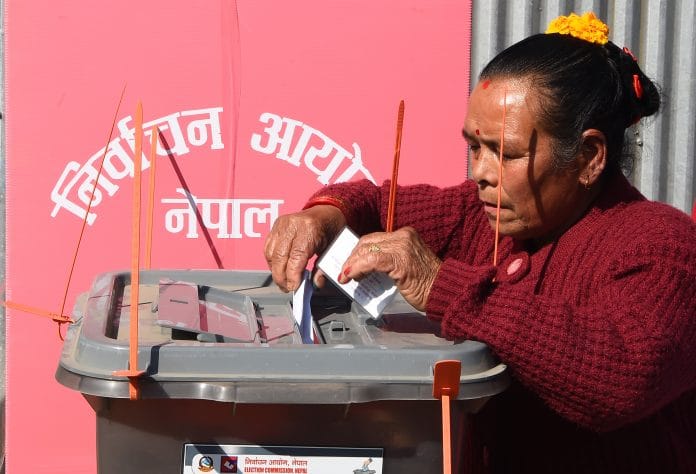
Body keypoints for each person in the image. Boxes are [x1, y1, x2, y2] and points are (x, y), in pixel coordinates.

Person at [264, 12, 696, 474]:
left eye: (506, 153)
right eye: (475, 146)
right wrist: (322, 214)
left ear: (589, 157)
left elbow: (618, 379)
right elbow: (370, 203)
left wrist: (441, 285)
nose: (482, 173)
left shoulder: (662, 247)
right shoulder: (479, 216)